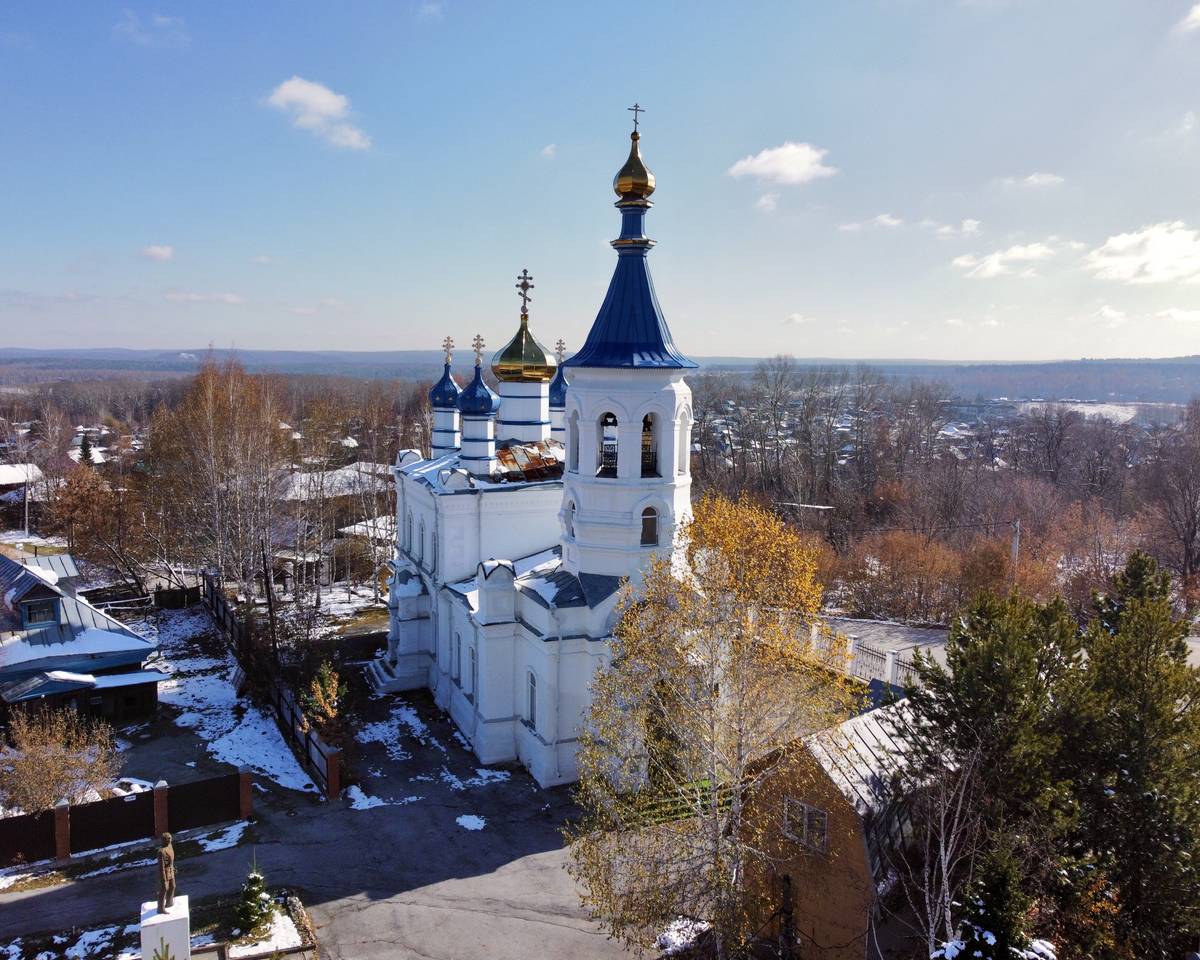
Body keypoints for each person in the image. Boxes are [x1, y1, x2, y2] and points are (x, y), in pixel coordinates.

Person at [157, 832, 176, 913]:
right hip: (165, 873)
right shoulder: (161, 852)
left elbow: (171, 860)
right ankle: (160, 908)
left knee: (173, 886)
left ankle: (169, 902)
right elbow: (161, 868)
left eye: (170, 838)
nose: (169, 840)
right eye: (167, 839)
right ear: (163, 840)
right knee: (164, 889)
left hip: (171, 871)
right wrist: (164, 879)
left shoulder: (170, 846)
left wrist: (173, 868)